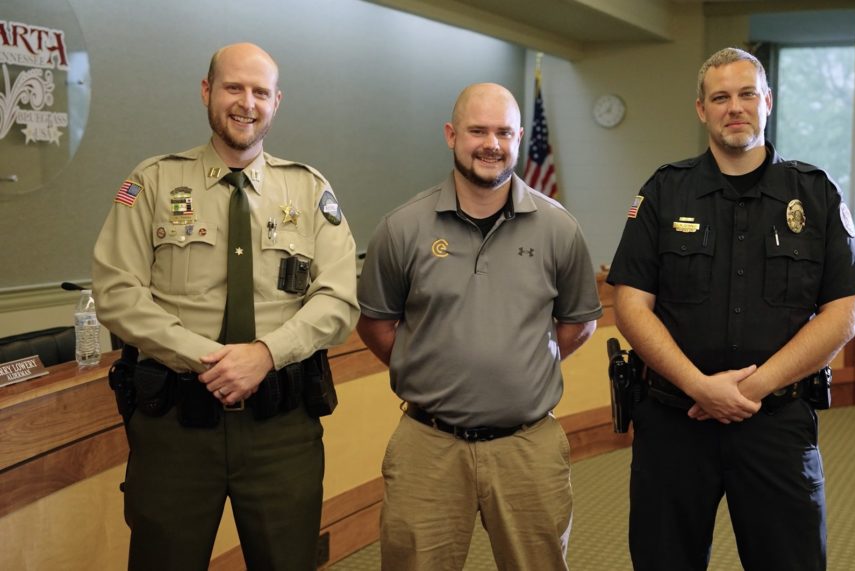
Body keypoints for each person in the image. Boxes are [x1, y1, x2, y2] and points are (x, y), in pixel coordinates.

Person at [607, 47, 855, 571]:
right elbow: (631, 305)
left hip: (774, 424)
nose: (736, 107)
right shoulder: (664, 191)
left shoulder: (815, 194)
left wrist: (745, 390)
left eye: (747, 94)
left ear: (768, 101)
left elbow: (844, 311)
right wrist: (698, 386)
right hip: (675, 423)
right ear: (701, 110)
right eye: (721, 97)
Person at [92, 43, 359, 570]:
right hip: (175, 429)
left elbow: (338, 298)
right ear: (206, 91)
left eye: (261, 91)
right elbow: (117, 293)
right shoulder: (152, 183)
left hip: (281, 433)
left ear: (276, 101)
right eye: (234, 87)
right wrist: (207, 359)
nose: (247, 103)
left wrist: (264, 353)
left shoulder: (308, 190)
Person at [357, 82, 603, 570]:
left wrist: (522, 362)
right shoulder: (401, 228)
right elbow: (376, 324)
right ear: (451, 135)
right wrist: (430, 363)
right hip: (428, 446)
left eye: (504, 132)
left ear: (517, 139)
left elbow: (578, 323)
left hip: (528, 447)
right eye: (477, 131)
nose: (492, 143)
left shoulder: (559, 229)